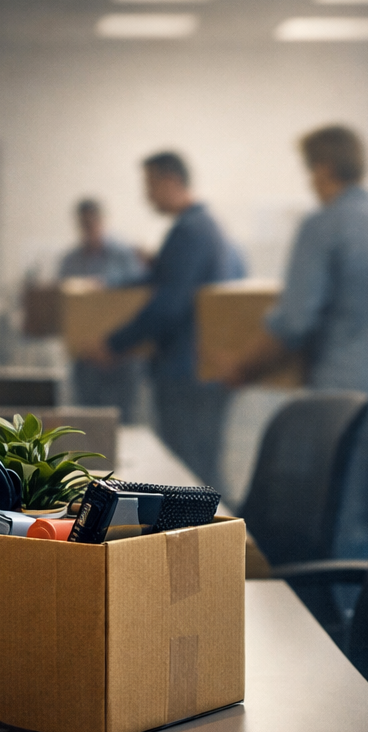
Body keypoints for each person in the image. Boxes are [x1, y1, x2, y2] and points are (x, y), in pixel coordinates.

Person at [226, 125, 368, 558]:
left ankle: (330, 624)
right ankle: (363, 621)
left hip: (349, 405)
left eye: (310, 172)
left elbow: (294, 320)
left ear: (322, 169)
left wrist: (239, 368)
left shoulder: (325, 226)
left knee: (334, 529)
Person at [97, 151, 245, 487]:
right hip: (195, 373)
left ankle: (213, 540)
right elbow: (161, 282)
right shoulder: (203, 228)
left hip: (187, 374)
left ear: (171, 181)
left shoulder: (191, 231)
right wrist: (110, 287)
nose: (146, 195)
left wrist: (113, 344)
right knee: (200, 468)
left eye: (150, 185)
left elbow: (168, 304)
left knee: (190, 473)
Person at [58, 198, 145, 422]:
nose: (88, 228)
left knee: (123, 419)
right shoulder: (70, 261)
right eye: (83, 224)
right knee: (88, 419)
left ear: (101, 221)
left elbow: (136, 299)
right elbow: (64, 308)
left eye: (92, 222)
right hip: (86, 355)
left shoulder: (124, 255)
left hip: (122, 354)